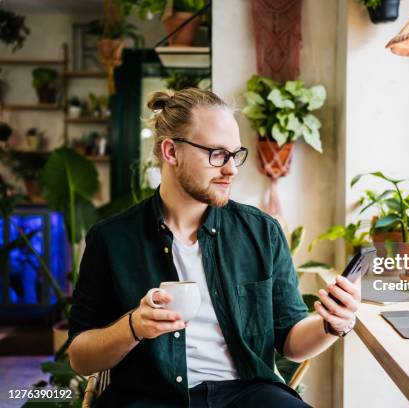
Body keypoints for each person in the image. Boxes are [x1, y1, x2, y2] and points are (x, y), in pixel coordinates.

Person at [67, 88, 361, 407]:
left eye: (234, 155)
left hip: (248, 393)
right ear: (171, 152)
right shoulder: (111, 239)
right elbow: (80, 357)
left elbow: (290, 341)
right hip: (149, 396)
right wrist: (134, 326)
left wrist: (333, 324)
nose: (231, 169)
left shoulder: (262, 232)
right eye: (216, 154)